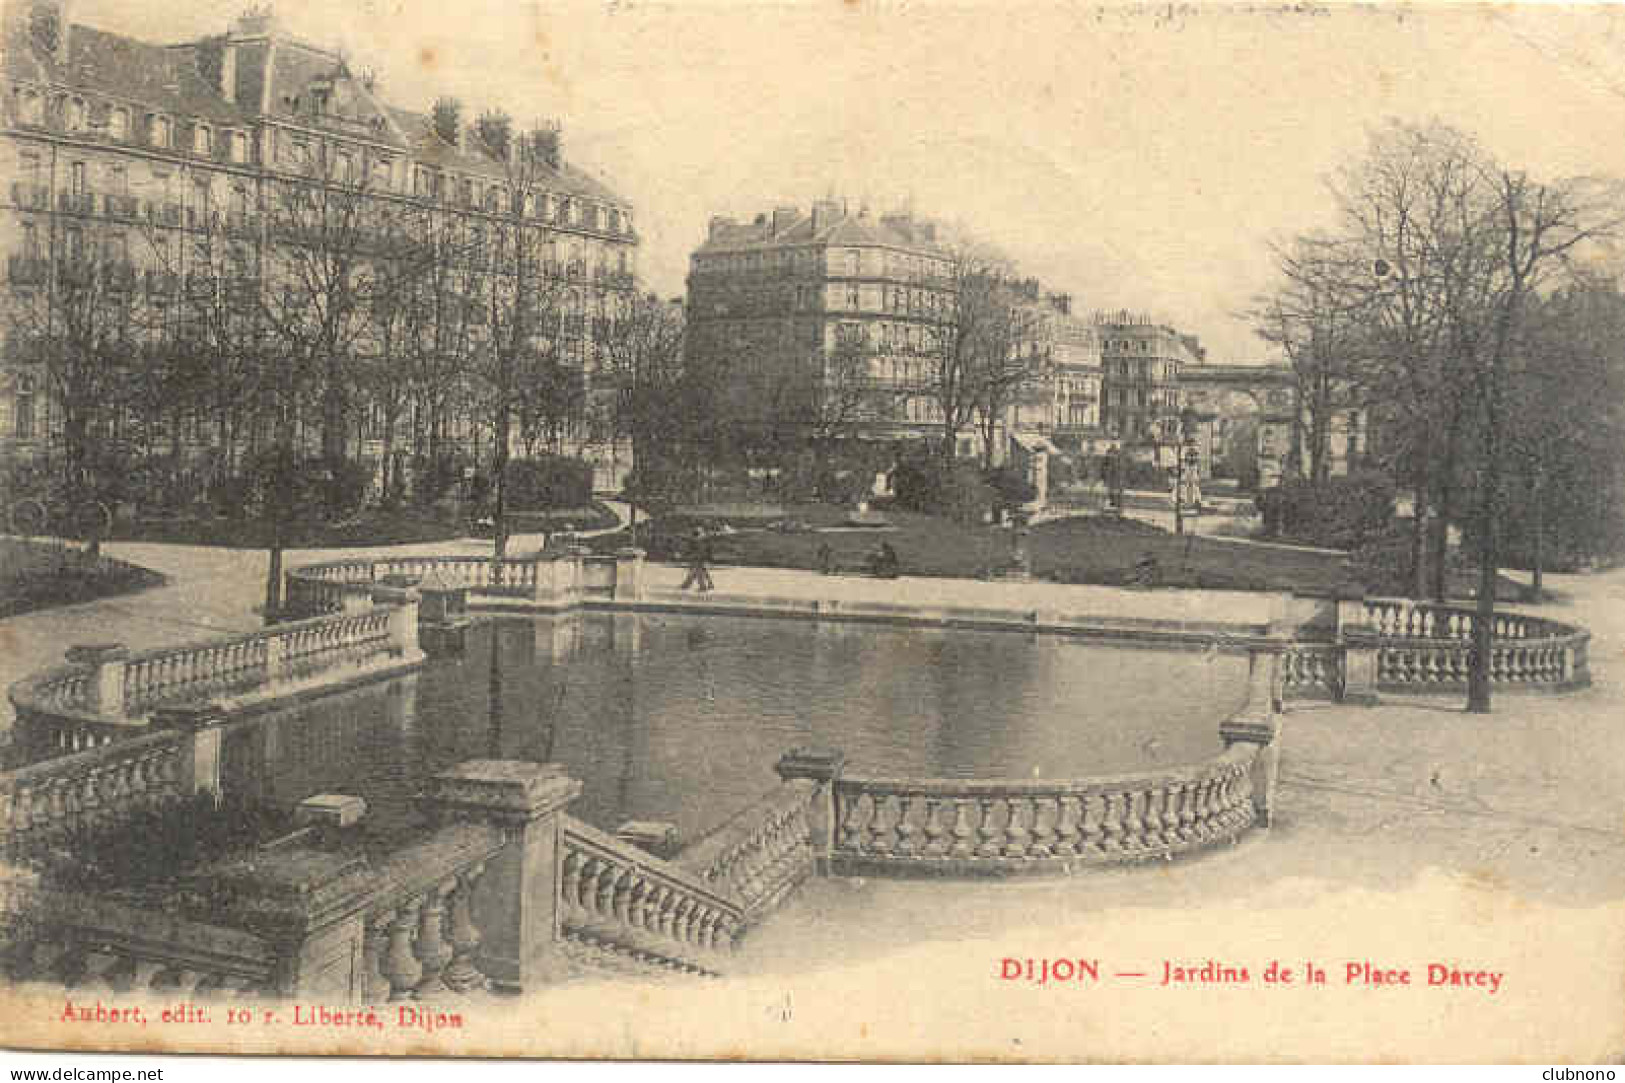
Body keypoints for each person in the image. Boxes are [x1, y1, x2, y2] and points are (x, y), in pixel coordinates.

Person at [681, 527, 714, 592]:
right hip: (701, 557)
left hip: (698, 557)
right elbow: (708, 549)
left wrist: (687, 554)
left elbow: (692, 549)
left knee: (697, 572)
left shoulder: (697, 540)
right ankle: (709, 584)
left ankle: (702, 586)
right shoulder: (703, 539)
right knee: (700, 571)